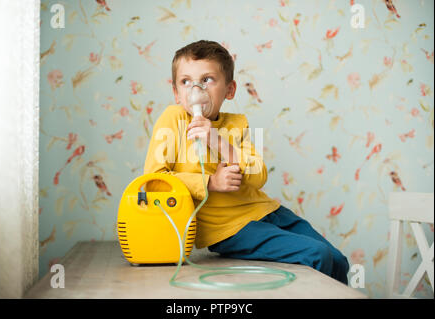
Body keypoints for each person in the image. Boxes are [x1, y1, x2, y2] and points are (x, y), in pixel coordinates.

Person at [143, 40, 350, 285]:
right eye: (186, 81)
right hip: (231, 229)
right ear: (176, 93)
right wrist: (210, 181)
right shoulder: (173, 120)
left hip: (268, 211)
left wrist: (218, 141)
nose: (195, 89)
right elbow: (154, 182)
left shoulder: (237, 124)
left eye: (207, 79)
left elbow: (258, 175)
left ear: (229, 90)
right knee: (318, 255)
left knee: (338, 260)